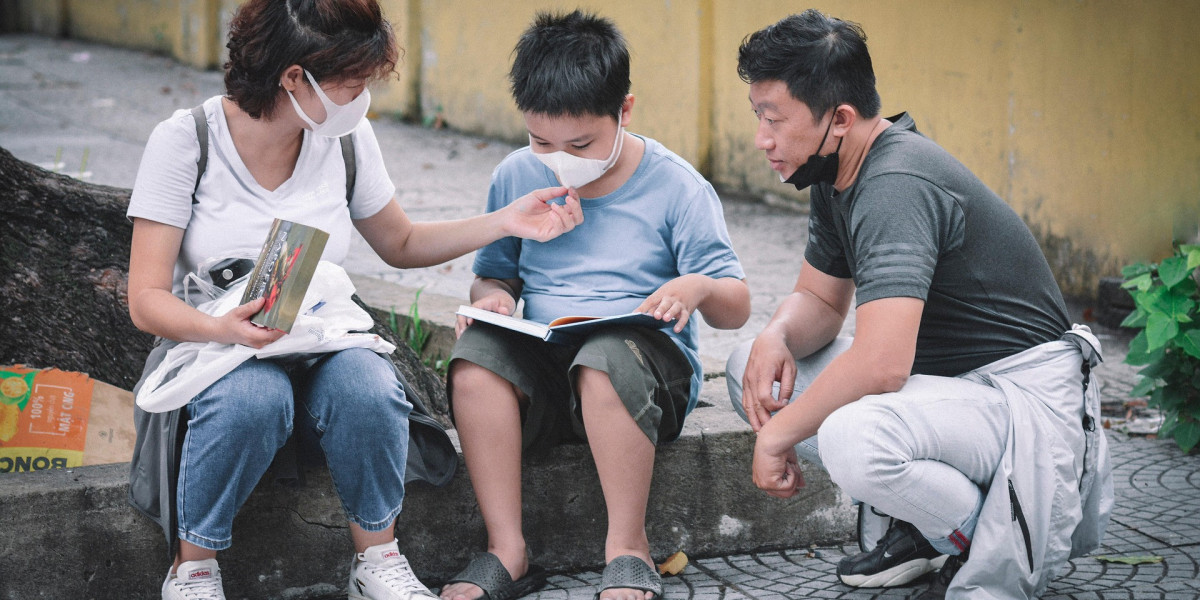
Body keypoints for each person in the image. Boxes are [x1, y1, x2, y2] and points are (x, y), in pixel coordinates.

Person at [124, 1, 582, 599]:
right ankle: (193, 570)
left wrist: (505, 222)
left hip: (320, 337)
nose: (362, 98)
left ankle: (378, 562)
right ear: (293, 78)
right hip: (217, 353)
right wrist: (226, 330)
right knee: (252, 398)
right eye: (351, 84)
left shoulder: (342, 139)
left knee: (368, 384)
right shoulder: (188, 140)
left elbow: (402, 241)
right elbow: (145, 300)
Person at [725, 10, 1112, 600]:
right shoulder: (839, 172)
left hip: (1020, 402)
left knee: (855, 436)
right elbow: (820, 302)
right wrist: (775, 336)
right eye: (758, 117)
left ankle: (969, 535)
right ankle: (929, 529)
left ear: (840, 120)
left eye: (773, 119)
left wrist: (775, 441)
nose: (762, 139)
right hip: (955, 392)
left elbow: (883, 364)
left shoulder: (896, 184)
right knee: (749, 369)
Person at [438, 10, 750, 600]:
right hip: (549, 359)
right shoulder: (516, 176)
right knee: (475, 360)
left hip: (640, 370)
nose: (560, 158)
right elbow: (491, 279)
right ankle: (508, 550)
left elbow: (736, 305)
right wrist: (496, 300)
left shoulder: (677, 187)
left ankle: (627, 548)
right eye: (541, 141)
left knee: (604, 360)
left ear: (624, 110)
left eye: (580, 143)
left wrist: (697, 288)